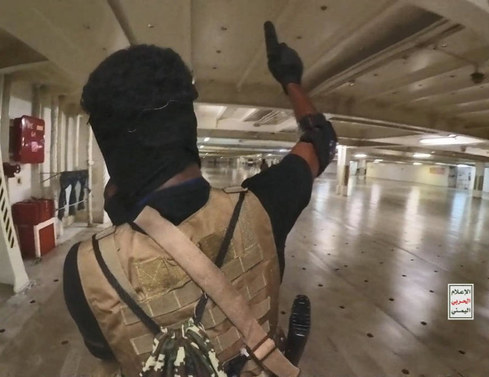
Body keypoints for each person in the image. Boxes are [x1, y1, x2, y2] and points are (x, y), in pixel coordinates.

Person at [63, 21, 337, 376]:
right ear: (186, 125)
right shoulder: (266, 204)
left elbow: (111, 357)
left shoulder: (85, 268)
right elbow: (321, 139)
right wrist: (290, 79)